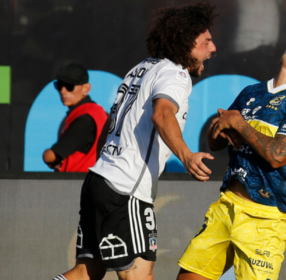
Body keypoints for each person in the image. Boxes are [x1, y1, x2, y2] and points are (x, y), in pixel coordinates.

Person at [51, 3, 217, 280]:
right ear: (185, 44)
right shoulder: (176, 73)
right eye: (207, 42)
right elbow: (162, 114)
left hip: (99, 181)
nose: (213, 49)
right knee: (139, 275)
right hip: (125, 189)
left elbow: (111, 124)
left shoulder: (140, 68)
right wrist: (187, 156)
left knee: (86, 272)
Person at [176, 28, 286, 280]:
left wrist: (238, 124)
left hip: (265, 216)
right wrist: (221, 125)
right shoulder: (250, 93)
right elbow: (216, 142)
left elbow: (278, 155)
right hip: (226, 207)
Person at [42, 63, 108, 172]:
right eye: (59, 85)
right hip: (92, 180)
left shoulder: (85, 117)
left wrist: (49, 157)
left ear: (86, 88)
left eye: (69, 86)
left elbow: (51, 155)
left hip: (77, 183)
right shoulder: (99, 113)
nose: (63, 91)